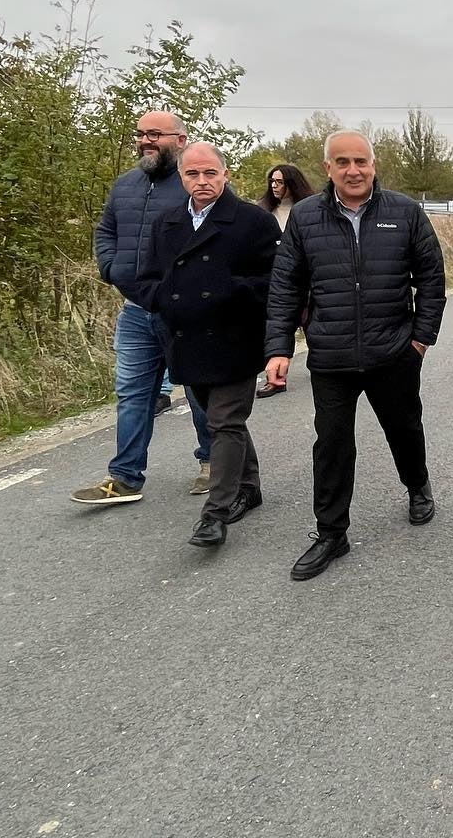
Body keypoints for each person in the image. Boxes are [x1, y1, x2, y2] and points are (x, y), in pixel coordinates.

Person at [264, 130, 447, 581]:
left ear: (374, 164)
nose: (353, 170)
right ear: (327, 168)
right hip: (331, 354)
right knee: (331, 444)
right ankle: (331, 532)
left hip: (394, 351)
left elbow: (431, 276)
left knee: (404, 428)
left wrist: (421, 338)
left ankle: (417, 486)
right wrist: (279, 348)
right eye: (342, 162)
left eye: (360, 161)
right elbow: (286, 286)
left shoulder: (404, 212)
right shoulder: (305, 218)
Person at [137, 142, 281, 547]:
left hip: (235, 339)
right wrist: (164, 300)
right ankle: (249, 486)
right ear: (181, 178)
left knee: (224, 423)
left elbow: (276, 282)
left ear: (225, 174)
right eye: (192, 175)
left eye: (210, 174)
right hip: (185, 340)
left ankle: (215, 514)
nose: (202, 182)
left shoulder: (253, 222)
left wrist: (226, 291)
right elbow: (146, 277)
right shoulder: (167, 223)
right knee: (224, 422)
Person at [72, 111, 213, 506]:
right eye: (140, 134)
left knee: (200, 389)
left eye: (155, 134)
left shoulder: (193, 185)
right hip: (135, 310)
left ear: (181, 140)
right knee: (133, 393)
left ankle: (213, 463)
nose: (145, 141)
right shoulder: (125, 185)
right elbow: (106, 230)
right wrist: (111, 267)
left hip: (182, 310)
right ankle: (125, 477)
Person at [254, 162, 314, 398]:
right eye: (272, 181)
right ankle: (276, 378)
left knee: (312, 324)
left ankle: (322, 366)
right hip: (274, 280)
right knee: (278, 327)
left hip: (307, 280)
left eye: (280, 182)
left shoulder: (309, 210)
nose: (274, 186)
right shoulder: (262, 212)